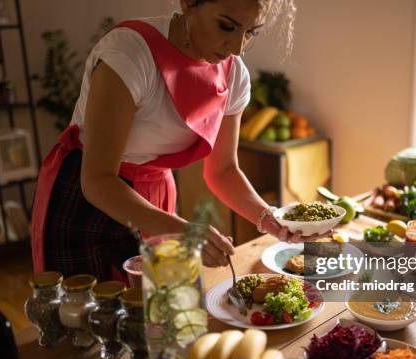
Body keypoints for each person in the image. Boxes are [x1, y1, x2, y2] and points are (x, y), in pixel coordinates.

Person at [31, 0, 304, 281]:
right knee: (88, 317)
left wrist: (270, 218)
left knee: (154, 314)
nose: (236, 47)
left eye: (251, 32)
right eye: (226, 26)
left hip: (154, 197)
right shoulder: (130, 52)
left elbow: (222, 169)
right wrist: (184, 231)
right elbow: (98, 180)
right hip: (86, 197)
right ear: (188, 4)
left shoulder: (235, 76)